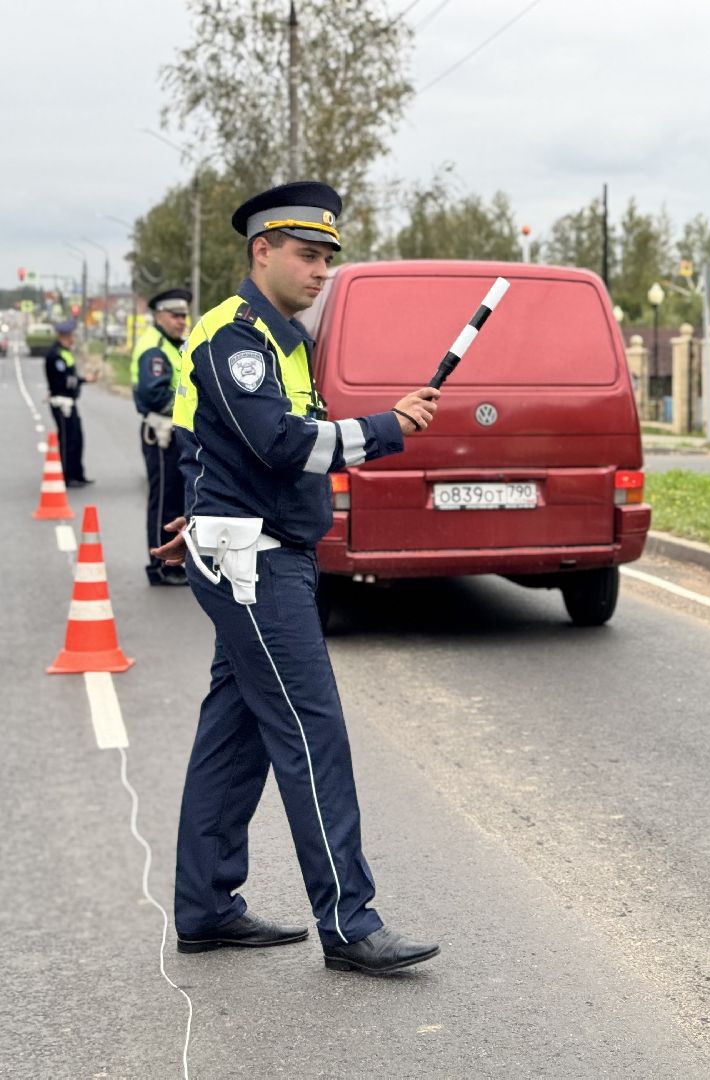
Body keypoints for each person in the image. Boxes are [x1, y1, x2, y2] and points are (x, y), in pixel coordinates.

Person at [151, 181, 442, 974]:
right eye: (307, 255)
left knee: (234, 737)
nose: (321, 270)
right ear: (262, 252)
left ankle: (207, 907)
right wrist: (387, 429)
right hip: (257, 566)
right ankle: (349, 922)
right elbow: (282, 444)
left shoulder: (286, 338)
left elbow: (239, 449)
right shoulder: (234, 337)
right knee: (313, 734)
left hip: (261, 550)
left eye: (327, 258)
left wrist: (205, 512)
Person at [133, 289, 192, 586]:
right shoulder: (154, 348)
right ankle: (160, 566)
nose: (182, 321)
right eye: (175, 315)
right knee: (164, 501)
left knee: (178, 499)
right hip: (161, 434)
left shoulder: (174, 345)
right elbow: (153, 395)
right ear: (159, 316)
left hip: (175, 433)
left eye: (184, 315)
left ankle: (174, 562)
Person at [44, 319, 94, 487]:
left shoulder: (65, 352)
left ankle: (77, 474)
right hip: (61, 403)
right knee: (67, 440)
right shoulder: (55, 354)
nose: (74, 338)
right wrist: (83, 380)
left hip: (70, 402)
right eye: (72, 335)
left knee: (77, 439)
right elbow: (62, 381)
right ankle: (66, 476)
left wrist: (80, 380)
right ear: (66, 336)